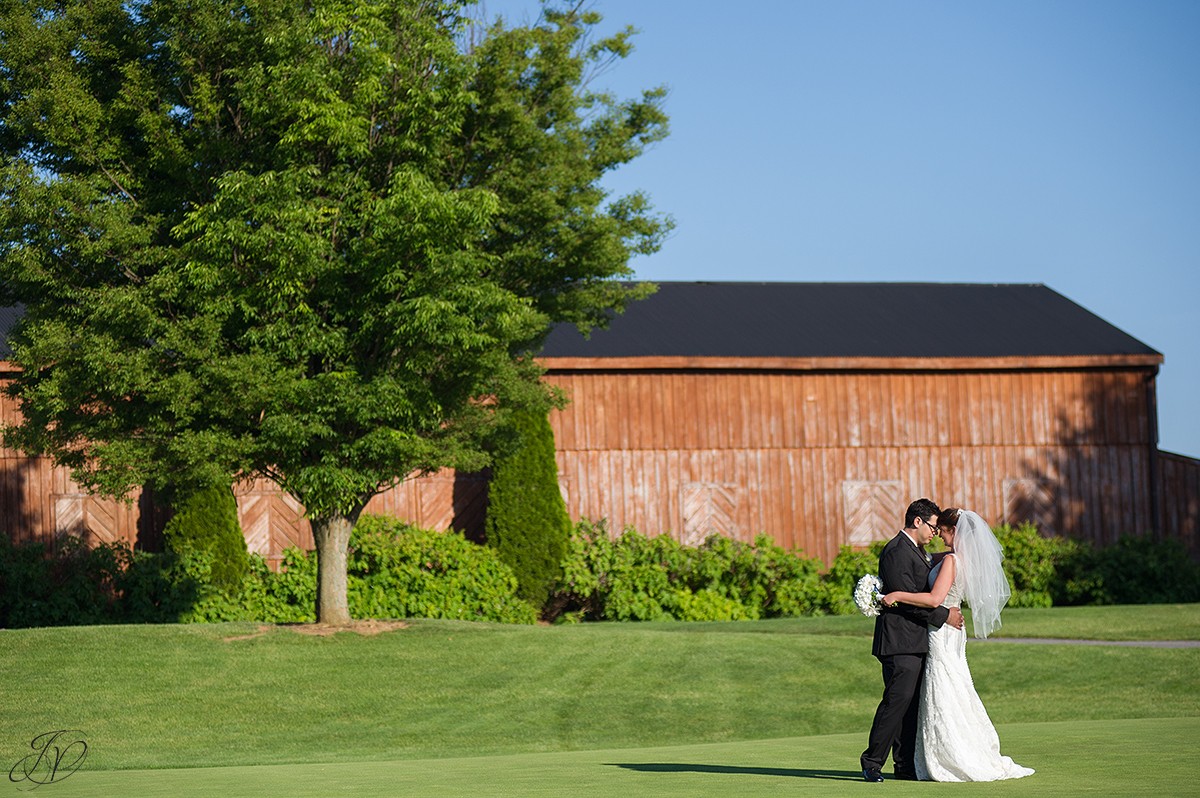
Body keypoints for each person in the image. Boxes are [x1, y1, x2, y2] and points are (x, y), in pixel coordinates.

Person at [882, 507, 1035, 782]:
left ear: (954, 531)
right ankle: (949, 751)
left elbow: (933, 599)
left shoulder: (952, 561)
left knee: (944, 687)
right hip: (950, 631)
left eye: (942, 529)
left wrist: (896, 594)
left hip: (941, 631)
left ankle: (952, 755)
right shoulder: (960, 559)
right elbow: (930, 563)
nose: (938, 533)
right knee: (954, 686)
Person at [861, 499, 964, 783]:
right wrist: (944, 616)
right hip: (898, 640)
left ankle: (904, 766)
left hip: (916, 641)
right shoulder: (896, 551)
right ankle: (871, 762)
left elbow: (931, 574)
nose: (934, 532)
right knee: (897, 701)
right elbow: (905, 601)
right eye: (932, 526)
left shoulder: (918, 551)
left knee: (911, 706)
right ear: (917, 522)